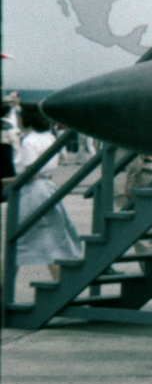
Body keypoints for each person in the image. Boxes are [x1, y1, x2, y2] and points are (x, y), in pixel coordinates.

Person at [8, 103, 83, 279]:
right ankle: (60, 284)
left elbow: (31, 172)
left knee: (19, 241)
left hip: (31, 191)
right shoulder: (49, 137)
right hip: (48, 186)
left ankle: (4, 290)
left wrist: (9, 182)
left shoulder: (28, 142)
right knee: (52, 239)